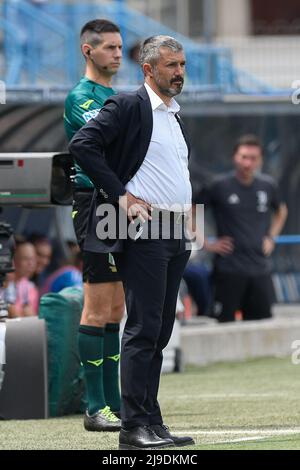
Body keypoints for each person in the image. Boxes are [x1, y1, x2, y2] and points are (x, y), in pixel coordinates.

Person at [69, 35, 195, 450]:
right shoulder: (127, 105)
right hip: (145, 230)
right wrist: (121, 195)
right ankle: (132, 428)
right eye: (171, 65)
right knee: (142, 329)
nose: (179, 72)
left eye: (182, 65)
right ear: (148, 69)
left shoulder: (174, 115)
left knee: (159, 331)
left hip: (175, 230)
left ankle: (151, 421)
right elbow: (82, 145)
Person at [64, 19, 124, 432]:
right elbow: (108, 144)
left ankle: (116, 404)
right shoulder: (81, 97)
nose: (119, 54)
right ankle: (94, 407)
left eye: (121, 48)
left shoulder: (115, 95)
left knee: (117, 309)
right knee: (97, 305)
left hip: (120, 204)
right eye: (110, 48)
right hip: (95, 202)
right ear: (89, 50)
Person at [197, 134, 288, 322]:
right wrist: (205, 243)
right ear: (234, 158)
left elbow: (281, 211)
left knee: (260, 326)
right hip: (228, 269)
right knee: (224, 326)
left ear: (260, 160)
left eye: (253, 158)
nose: (248, 163)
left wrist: (271, 238)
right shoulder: (219, 185)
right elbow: (191, 210)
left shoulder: (268, 185)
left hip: (260, 269)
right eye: (243, 157)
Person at [7, 239, 39, 318]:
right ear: (13, 260)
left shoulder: (31, 289)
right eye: (26, 259)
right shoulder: (3, 284)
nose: (30, 264)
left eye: (33, 259)